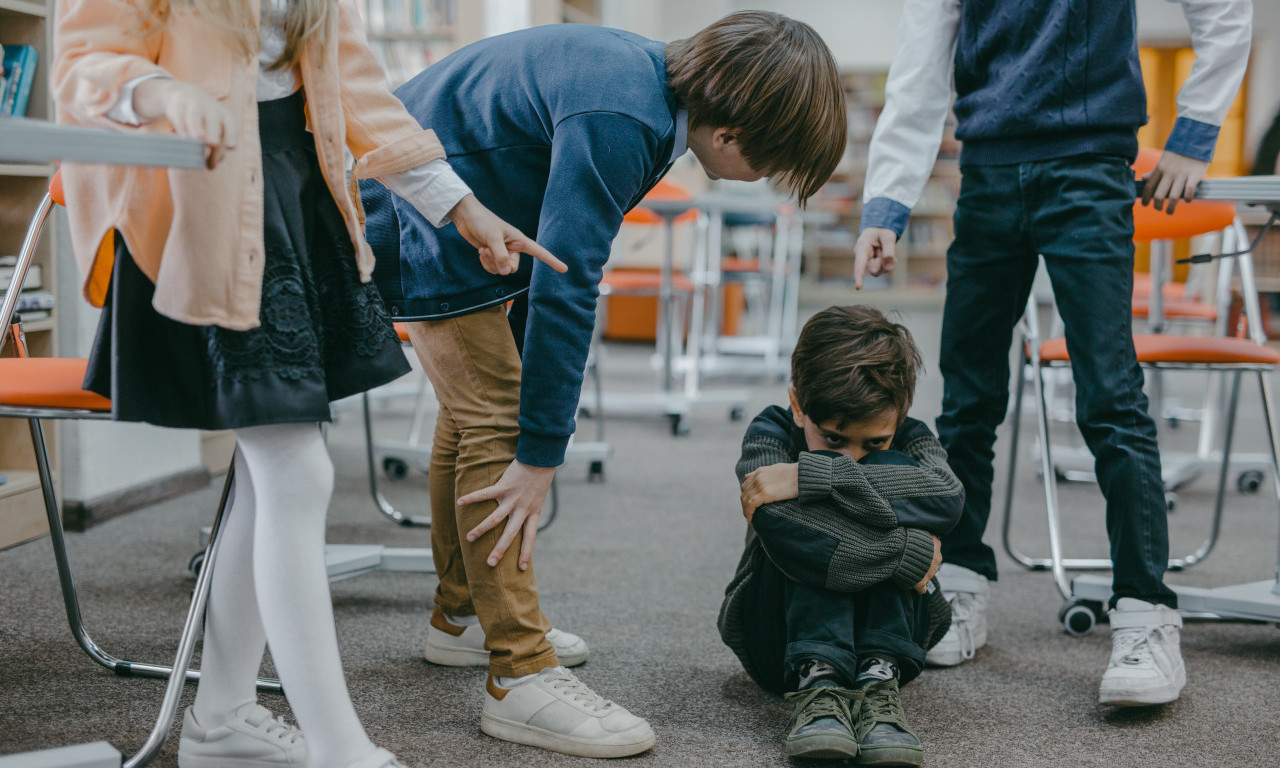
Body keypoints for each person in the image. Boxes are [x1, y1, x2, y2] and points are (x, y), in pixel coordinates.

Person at [53, 2, 559, 767]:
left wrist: (463, 209)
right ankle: (336, 748)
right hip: (206, 195)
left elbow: (357, 90)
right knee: (294, 474)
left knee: (269, 481)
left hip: (294, 187)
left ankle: (221, 717)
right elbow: (83, 63)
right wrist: (163, 93)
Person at [359, 11, 847, 758]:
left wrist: (536, 421)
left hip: (445, 207)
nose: (769, 180)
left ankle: (461, 616)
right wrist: (540, 452)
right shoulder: (625, 114)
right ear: (730, 134)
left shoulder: (645, 87)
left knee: (473, 413)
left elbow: (551, 259)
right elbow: (569, 280)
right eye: (774, 164)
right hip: (415, 209)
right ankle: (519, 673)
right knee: (496, 422)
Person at [853, 0, 1251, 706]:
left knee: (1111, 399)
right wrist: (886, 203)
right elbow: (920, 61)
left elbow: (1224, 9)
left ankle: (1146, 612)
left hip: (1089, 169)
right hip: (988, 175)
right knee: (968, 400)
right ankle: (960, 583)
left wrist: (1195, 132)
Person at [718, 306, 961, 765]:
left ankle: (877, 680)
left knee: (887, 471)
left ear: (900, 414)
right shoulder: (770, 431)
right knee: (801, 527)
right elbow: (781, 525)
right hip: (778, 642)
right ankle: (819, 679)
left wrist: (818, 475)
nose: (853, 456)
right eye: (833, 439)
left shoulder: (911, 436)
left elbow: (947, 497)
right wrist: (906, 551)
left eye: (874, 441)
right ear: (798, 406)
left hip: (895, 643)